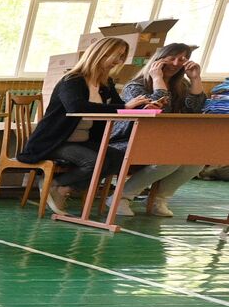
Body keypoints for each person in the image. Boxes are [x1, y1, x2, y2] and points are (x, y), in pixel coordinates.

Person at [18, 36, 159, 215]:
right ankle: (57, 185)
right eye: (115, 55)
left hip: (82, 141)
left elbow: (118, 106)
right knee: (93, 162)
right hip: (55, 141)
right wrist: (124, 107)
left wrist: (143, 107)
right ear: (99, 54)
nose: (118, 61)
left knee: (118, 159)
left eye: (122, 56)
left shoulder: (105, 83)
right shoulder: (72, 80)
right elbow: (76, 107)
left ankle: (64, 187)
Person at [105, 42, 208, 217]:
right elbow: (158, 110)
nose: (176, 63)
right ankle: (120, 197)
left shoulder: (181, 85)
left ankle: (158, 199)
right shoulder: (135, 86)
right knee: (168, 159)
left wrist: (195, 80)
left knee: (195, 161)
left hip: (165, 141)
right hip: (128, 140)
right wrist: (157, 79)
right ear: (158, 60)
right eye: (171, 58)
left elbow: (195, 109)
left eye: (182, 59)